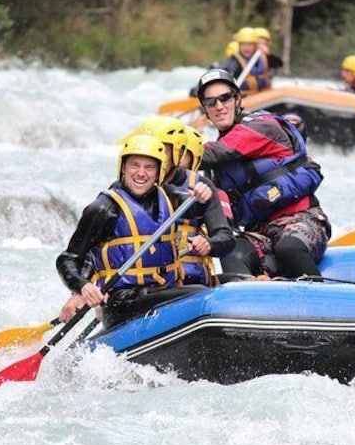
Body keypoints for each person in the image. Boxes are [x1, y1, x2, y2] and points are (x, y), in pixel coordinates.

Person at [56, 134, 213, 329]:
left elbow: (195, 206)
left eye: (149, 167)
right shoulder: (104, 208)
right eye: (135, 165)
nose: (141, 173)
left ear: (158, 172)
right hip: (122, 301)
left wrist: (202, 193)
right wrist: (83, 287)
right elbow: (68, 259)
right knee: (200, 293)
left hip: (163, 291)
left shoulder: (168, 196)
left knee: (204, 290)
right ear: (123, 167)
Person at [195, 68, 331, 279]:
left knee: (289, 249)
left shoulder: (260, 126)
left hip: (302, 220)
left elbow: (218, 151)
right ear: (205, 108)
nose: (219, 107)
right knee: (233, 250)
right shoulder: (215, 171)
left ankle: (324, 301)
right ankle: (245, 304)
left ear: (237, 99)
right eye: (211, 102)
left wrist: (174, 150)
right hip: (260, 233)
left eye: (225, 98)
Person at [137, 116, 236, 285]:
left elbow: (226, 238)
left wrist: (208, 244)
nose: (155, 156)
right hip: (142, 284)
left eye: (161, 150)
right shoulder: (128, 187)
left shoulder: (202, 188)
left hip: (189, 281)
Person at [216, 27, 271, 96]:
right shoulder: (234, 60)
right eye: (243, 44)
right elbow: (222, 69)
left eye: (250, 44)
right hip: (244, 97)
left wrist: (269, 55)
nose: (246, 48)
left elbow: (278, 64)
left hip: (262, 95)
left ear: (255, 45)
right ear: (239, 45)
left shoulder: (261, 57)